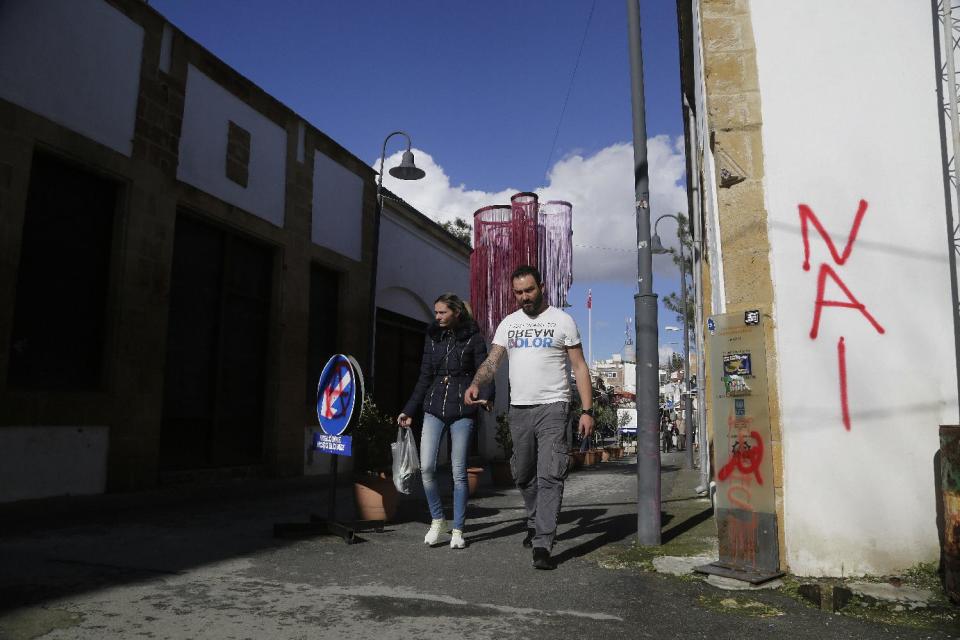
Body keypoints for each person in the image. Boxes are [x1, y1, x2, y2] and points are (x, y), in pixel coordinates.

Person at [464, 265, 594, 570]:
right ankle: (535, 521)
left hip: (554, 406)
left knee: (550, 473)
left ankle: (543, 543)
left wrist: (587, 410)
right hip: (519, 409)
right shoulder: (508, 324)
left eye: (529, 290)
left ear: (542, 286)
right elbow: (493, 361)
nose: (524, 297)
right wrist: (476, 382)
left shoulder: (563, 321)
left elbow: (579, 367)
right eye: (519, 293)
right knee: (522, 474)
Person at [398, 293, 492, 550]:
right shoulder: (432, 336)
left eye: (442, 312)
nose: (437, 317)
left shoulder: (474, 338)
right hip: (433, 407)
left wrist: (486, 396)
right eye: (436, 312)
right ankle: (438, 519)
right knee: (427, 468)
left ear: (456, 313)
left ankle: (459, 529)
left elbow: (484, 371)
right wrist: (409, 410)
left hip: (463, 410)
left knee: (458, 472)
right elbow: (424, 377)